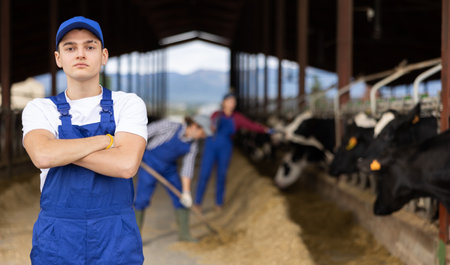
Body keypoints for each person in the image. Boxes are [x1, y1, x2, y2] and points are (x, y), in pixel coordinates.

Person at [22, 16, 147, 264]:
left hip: (115, 234)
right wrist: (106, 141)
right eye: (70, 48)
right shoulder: (39, 108)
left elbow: (125, 165)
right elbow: (43, 155)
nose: (80, 54)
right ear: (58, 58)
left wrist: (62, 150)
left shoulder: (128, 103)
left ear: (104, 56)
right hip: (59, 235)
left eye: (90, 47)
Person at [134, 116, 210, 242]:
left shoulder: (193, 145)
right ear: (195, 126)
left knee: (181, 198)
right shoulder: (170, 126)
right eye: (202, 133)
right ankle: (135, 239)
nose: (203, 137)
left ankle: (184, 235)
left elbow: (188, 167)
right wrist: (135, 152)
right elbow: (144, 133)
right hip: (150, 163)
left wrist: (186, 192)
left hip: (169, 169)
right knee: (141, 200)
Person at [194, 93, 272, 211]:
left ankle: (218, 203)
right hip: (211, 145)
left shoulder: (237, 117)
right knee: (204, 174)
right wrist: (212, 126)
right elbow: (210, 126)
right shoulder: (216, 114)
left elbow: (250, 125)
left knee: (221, 175)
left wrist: (265, 129)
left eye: (234, 102)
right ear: (223, 102)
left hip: (225, 147)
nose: (232, 103)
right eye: (230, 101)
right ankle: (197, 203)